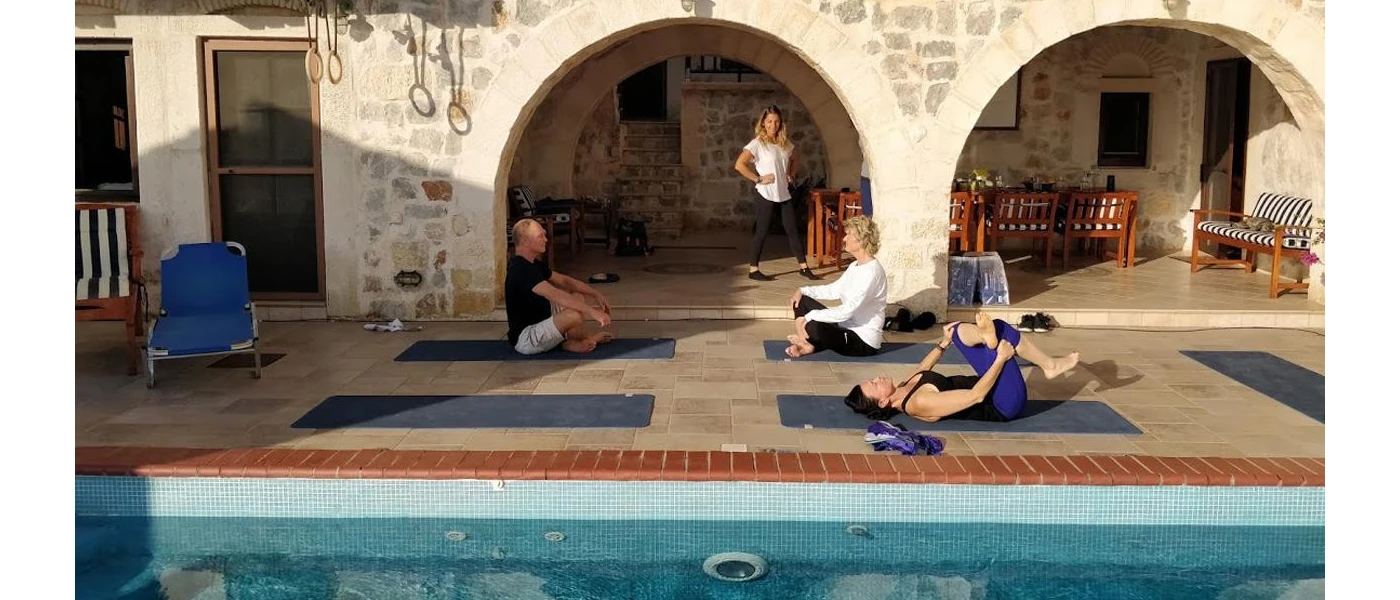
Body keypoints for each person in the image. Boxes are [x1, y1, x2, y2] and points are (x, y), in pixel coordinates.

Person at [843, 312, 1081, 423]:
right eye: (874, 385)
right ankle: (1049, 365)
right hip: (1002, 404)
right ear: (883, 402)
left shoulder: (903, 388)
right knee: (1001, 331)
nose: (877, 379)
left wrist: (943, 344)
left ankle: (983, 336)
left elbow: (923, 368)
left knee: (956, 330)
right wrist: (1000, 358)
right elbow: (975, 397)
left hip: (991, 386)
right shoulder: (918, 403)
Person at [733, 105, 822, 282]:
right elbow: (739, 165)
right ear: (763, 124)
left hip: (783, 193)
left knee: (792, 230)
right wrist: (758, 179)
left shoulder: (785, 144)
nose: (773, 125)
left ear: (780, 123)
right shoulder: (757, 144)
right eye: (769, 121)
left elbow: (796, 159)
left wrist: (791, 173)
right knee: (762, 232)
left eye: (776, 121)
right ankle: (753, 269)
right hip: (765, 193)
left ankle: (803, 268)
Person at [504, 219, 614, 355]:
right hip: (526, 339)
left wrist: (596, 294)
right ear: (525, 241)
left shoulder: (533, 264)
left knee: (577, 297)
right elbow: (556, 295)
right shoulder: (521, 270)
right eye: (540, 236)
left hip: (542, 320)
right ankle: (580, 341)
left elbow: (565, 281)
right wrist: (593, 312)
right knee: (574, 315)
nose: (545, 239)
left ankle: (573, 342)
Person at [785, 215, 887, 358]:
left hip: (862, 342)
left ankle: (807, 343)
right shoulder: (855, 266)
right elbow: (834, 290)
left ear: (861, 239)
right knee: (800, 300)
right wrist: (803, 290)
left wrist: (809, 316)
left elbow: (847, 310)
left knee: (813, 325)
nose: (844, 239)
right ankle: (806, 342)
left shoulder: (872, 272)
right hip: (845, 327)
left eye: (848, 234)